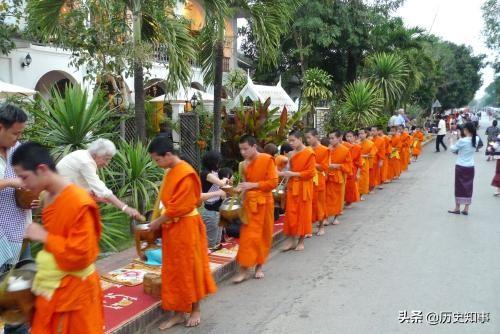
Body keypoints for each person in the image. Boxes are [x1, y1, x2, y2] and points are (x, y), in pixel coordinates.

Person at [13, 142, 103, 334]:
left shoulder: (78, 201)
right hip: (52, 286)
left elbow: (82, 256)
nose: (23, 184)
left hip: (75, 295)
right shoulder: (47, 197)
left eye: (24, 177)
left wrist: (44, 236)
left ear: (41, 169)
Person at [147, 136, 217, 329]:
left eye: (157, 160)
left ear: (168, 154)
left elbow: (181, 207)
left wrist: (157, 223)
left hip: (186, 226)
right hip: (172, 228)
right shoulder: (171, 171)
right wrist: (158, 221)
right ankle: (178, 312)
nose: (157, 163)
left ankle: (195, 309)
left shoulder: (185, 172)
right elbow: (166, 202)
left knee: (190, 268)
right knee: (174, 270)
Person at [0, 104, 32, 334]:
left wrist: (33, 197)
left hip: (20, 232)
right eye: (15, 133)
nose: (18, 138)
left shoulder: (17, 150)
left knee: (19, 297)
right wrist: (10, 183)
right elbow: (14, 182)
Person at [56, 138, 142, 219]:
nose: (107, 164)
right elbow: (101, 189)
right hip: (61, 203)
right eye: (106, 159)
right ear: (95, 154)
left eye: (109, 160)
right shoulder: (86, 162)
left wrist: (98, 197)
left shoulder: (83, 155)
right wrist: (126, 208)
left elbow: (86, 187)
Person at [232, 135, 278, 283]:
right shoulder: (242, 164)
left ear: (254, 146)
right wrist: (237, 193)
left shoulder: (266, 159)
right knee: (246, 238)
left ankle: (259, 267)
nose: (243, 152)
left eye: (245, 149)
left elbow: (273, 182)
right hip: (249, 205)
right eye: (241, 149)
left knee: (263, 236)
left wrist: (254, 185)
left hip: (265, 203)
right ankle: (243, 270)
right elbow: (245, 184)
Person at [279, 130, 315, 251]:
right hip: (292, 187)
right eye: (289, 141)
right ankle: (291, 239)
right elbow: (288, 169)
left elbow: (311, 173)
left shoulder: (309, 153)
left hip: (304, 187)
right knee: (291, 213)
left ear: (300, 139)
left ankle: (301, 240)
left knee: (303, 214)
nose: (291, 143)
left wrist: (293, 173)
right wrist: (284, 182)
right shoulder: (290, 154)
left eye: (293, 140)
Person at [200, 151, 229, 250]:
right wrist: (226, 178)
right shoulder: (206, 174)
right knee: (210, 244)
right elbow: (221, 183)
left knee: (217, 242)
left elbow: (223, 192)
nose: (219, 164)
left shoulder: (214, 173)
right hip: (211, 213)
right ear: (212, 162)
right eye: (217, 162)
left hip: (219, 211)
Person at [448, 122, 479, 216]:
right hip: (470, 166)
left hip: (461, 166)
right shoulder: (476, 139)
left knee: (458, 187)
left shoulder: (463, 141)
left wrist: (451, 142)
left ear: (466, 130)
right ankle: (466, 209)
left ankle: (457, 208)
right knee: (468, 187)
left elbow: (453, 149)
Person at [325, 131, 352, 225]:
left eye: (333, 138)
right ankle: (326, 217)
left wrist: (338, 166)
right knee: (327, 198)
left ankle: (336, 216)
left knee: (338, 198)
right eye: (330, 138)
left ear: (339, 138)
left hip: (339, 177)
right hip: (327, 177)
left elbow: (349, 165)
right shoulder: (327, 149)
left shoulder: (345, 150)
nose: (331, 140)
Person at [305, 129, 329, 235]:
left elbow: (324, 167)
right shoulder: (307, 149)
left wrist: (312, 164)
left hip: (319, 179)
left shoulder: (324, 150)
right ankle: (309, 228)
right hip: (308, 179)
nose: (308, 140)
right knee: (309, 203)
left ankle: (321, 226)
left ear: (316, 137)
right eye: (306, 138)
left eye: (309, 137)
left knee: (319, 203)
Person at [344, 131, 361, 206]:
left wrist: (358, 173)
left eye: (351, 136)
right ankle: (343, 200)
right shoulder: (343, 146)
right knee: (345, 185)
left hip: (353, 168)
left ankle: (349, 201)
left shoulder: (357, 147)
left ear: (355, 137)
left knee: (350, 186)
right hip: (345, 167)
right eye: (347, 136)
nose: (349, 138)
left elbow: (359, 162)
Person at [358, 128, 376, 199]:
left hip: (365, 163)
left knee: (364, 179)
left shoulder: (370, 143)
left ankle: (361, 194)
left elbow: (371, 154)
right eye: (359, 133)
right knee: (358, 179)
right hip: (358, 163)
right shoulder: (357, 143)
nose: (360, 135)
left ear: (366, 134)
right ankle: (357, 194)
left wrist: (362, 156)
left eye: (362, 133)